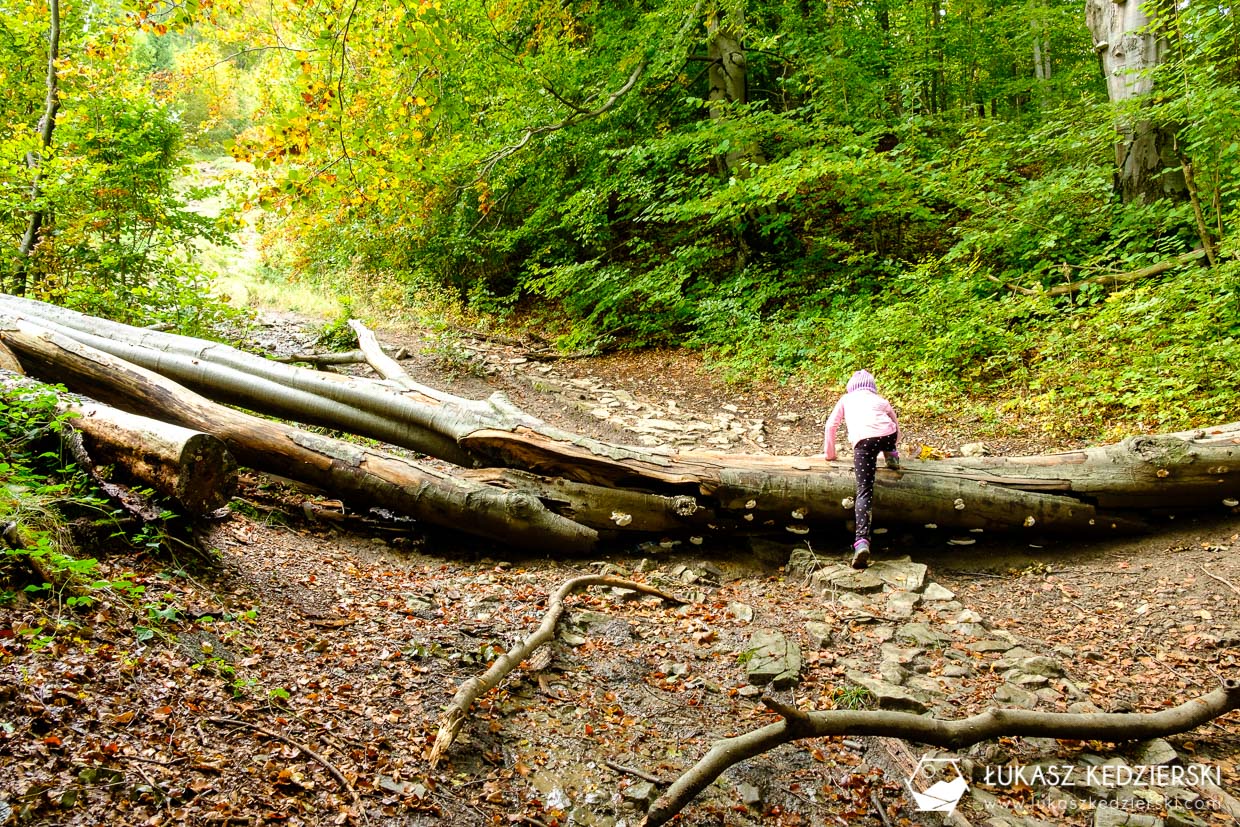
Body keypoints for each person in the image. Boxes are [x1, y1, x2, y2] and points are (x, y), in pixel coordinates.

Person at [824, 369, 900, 569]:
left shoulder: (846, 399)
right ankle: (891, 456)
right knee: (887, 432)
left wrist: (829, 454)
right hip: (887, 436)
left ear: (851, 388)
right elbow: (895, 425)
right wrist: (893, 448)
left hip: (864, 443)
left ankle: (861, 542)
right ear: (872, 387)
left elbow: (831, 425)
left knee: (864, 491)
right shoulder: (880, 400)